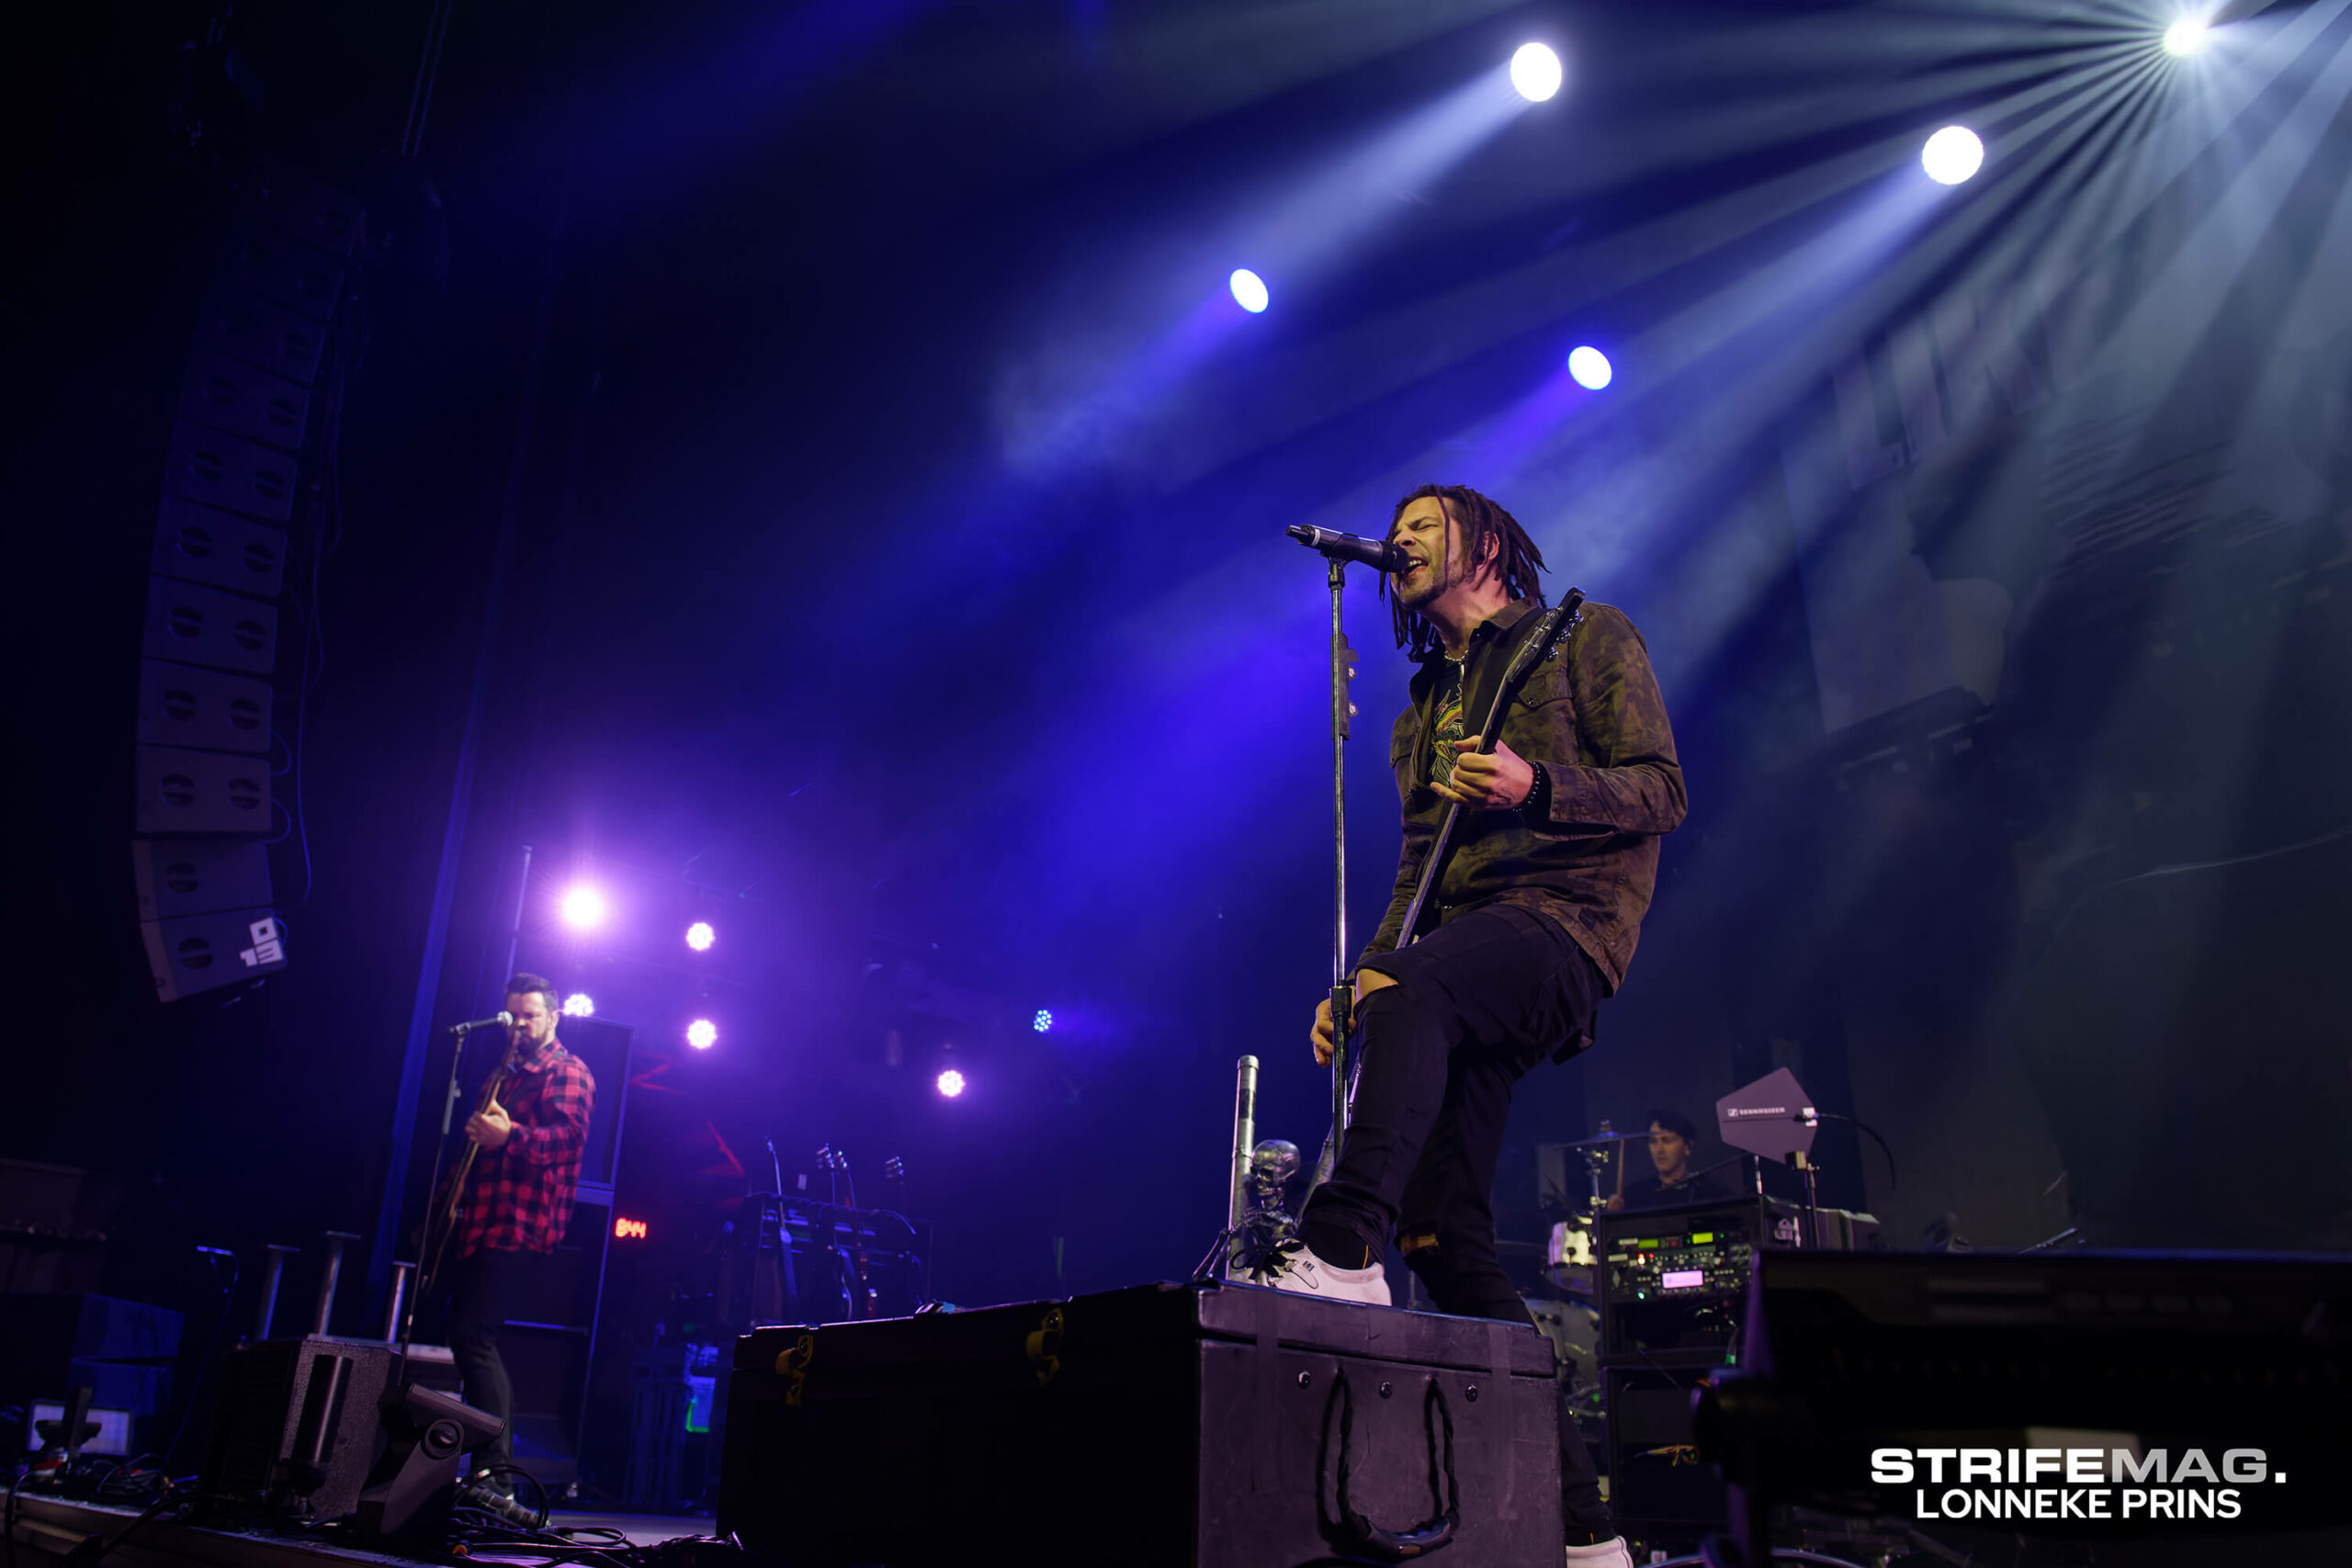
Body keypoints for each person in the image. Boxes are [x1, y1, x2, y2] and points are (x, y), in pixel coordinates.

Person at [1258, 483, 1685, 1568]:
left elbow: (1660, 791)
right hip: (1458, 956)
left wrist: (1535, 782)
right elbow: (1414, 871)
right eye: (1391, 531)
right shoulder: (1417, 715)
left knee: (1421, 992)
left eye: (1421, 526)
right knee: (1447, 1244)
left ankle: (1341, 1241)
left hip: (1562, 928)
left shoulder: (1580, 638)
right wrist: (1358, 981)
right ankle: (1593, 1542)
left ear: (1484, 542)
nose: (1396, 541)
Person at [443, 973, 595, 1523]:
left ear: (554, 1016)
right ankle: (485, 1473)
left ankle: (497, 1477)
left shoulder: (566, 1070)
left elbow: (567, 1140)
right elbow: (479, 1154)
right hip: (478, 1222)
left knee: (474, 1336)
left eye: (530, 1015)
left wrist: (512, 1137)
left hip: (519, 1224)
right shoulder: (503, 1074)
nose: (520, 1025)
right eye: (513, 1016)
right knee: (467, 1337)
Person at [1608, 1110, 1734, 1210]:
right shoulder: (1635, 1195)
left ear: (1687, 1147)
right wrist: (1614, 1215)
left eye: (1667, 1141)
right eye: (1653, 1142)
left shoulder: (1712, 1192)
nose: (1659, 1150)